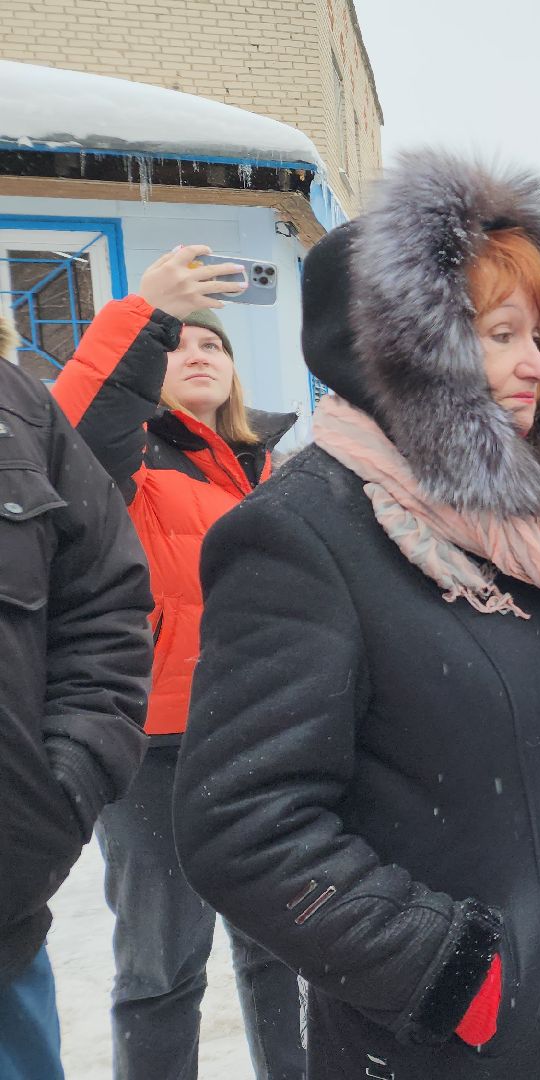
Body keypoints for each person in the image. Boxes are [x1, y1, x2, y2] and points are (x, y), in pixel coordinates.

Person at [171, 152, 540, 1079]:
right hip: (473, 1047)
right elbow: (243, 822)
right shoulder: (305, 536)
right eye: (501, 334)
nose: (537, 365)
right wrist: (446, 968)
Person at [50, 247, 303, 1079]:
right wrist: (141, 315)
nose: (198, 354)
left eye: (215, 345)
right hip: (156, 746)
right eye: (179, 344)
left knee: (281, 953)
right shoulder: (122, 468)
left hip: (260, 742)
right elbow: (78, 427)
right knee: (162, 966)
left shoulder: (266, 471)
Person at [0, 310, 151, 1080]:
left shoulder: (21, 413)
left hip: (4, 920)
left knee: (176, 962)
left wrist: (65, 783)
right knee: (160, 972)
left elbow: (105, 602)